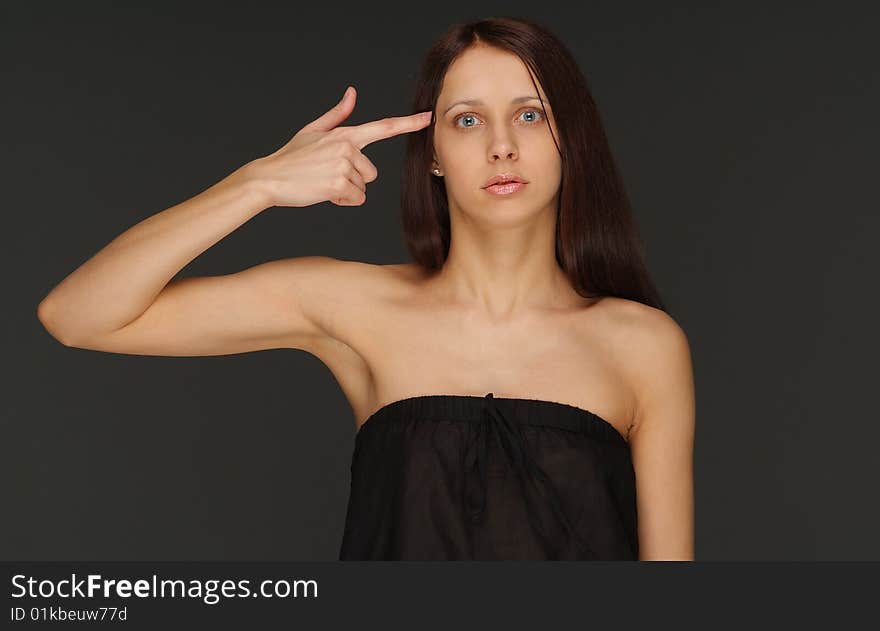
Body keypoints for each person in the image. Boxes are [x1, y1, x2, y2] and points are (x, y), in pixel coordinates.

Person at [36, 16, 695, 561]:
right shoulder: (356, 307)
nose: (501, 146)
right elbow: (78, 314)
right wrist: (256, 185)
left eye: (529, 114)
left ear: (569, 138)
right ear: (432, 150)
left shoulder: (643, 345)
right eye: (467, 120)